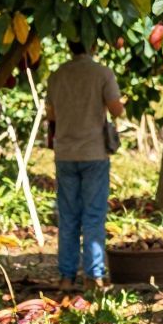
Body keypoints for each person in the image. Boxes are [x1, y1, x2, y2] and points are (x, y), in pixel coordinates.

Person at [47, 39, 123, 289]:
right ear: (92, 46)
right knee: (93, 215)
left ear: (70, 46)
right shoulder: (102, 73)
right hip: (93, 153)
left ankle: (66, 278)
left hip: (65, 153)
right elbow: (116, 109)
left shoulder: (57, 75)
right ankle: (94, 276)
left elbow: (51, 114)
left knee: (68, 216)